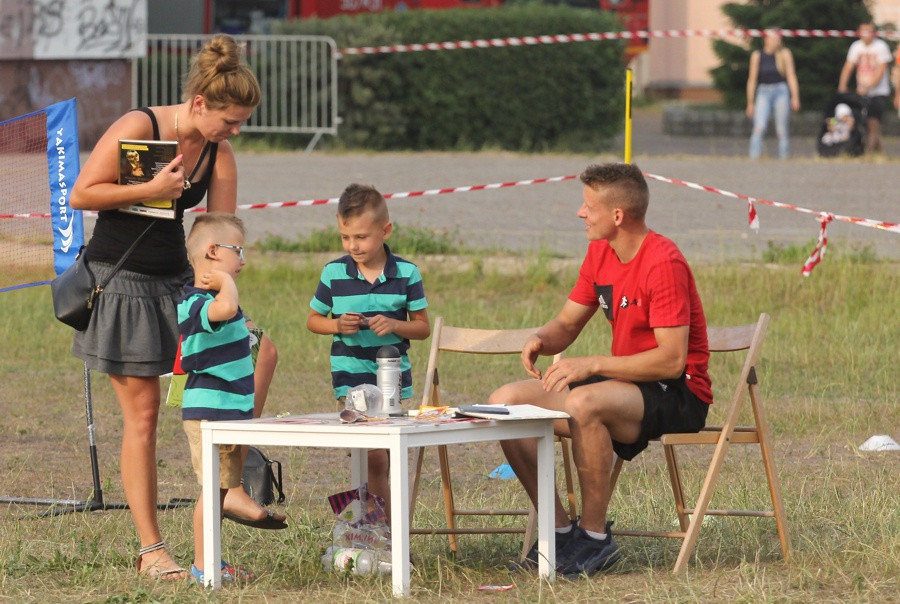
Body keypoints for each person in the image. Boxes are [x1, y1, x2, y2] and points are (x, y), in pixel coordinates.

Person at [69, 34, 282, 580]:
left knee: (259, 353)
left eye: (240, 124)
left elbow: (220, 231)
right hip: (122, 282)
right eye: (229, 121)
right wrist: (153, 189)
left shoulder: (218, 153)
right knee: (142, 418)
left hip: (183, 285)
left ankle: (228, 487)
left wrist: (229, 279)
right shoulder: (140, 127)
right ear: (199, 105)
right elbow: (82, 195)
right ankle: (151, 552)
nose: (233, 132)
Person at [489, 163, 712, 578]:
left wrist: (591, 363)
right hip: (626, 386)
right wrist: (542, 338)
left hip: (678, 393)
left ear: (617, 216)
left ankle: (594, 539)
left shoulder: (663, 261)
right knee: (506, 403)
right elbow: (568, 323)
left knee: (583, 401)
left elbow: (671, 360)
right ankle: (558, 531)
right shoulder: (600, 252)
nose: (580, 213)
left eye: (588, 206)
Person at [307, 184, 430, 519]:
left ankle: (382, 530)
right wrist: (336, 326)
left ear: (385, 230)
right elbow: (313, 320)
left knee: (377, 455)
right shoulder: (334, 273)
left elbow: (422, 328)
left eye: (361, 237)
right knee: (368, 454)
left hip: (390, 378)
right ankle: (372, 526)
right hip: (349, 376)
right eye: (345, 237)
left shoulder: (406, 273)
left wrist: (393, 325)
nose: (353, 246)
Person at [178, 213, 256, 585]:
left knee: (220, 492)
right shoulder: (194, 302)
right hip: (209, 413)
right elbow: (223, 310)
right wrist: (225, 281)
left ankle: (211, 562)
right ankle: (203, 567)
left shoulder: (216, 298)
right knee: (212, 493)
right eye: (237, 251)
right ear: (212, 251)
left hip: (227, 414)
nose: (242, 261)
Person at [838, 22, 893, 154]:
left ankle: (868, 154)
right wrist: (842, 86)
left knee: (872, 123)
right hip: (862, 92)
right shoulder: (856, 47)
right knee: (868, 126)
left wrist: (869, 87)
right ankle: (881, 154)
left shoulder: (881, 46)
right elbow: (848, 67)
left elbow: (881, 71)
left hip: (878, 92)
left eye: (868, 31)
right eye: (863, 31)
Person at [745, 30, 801, 159]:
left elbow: (791, 76)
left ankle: (784, 158)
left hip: (781, 91)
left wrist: (795, 97)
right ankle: (754, 157)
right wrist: (750, 102)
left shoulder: (785, 54)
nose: (778, 41)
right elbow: (752, 80)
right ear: (767, 39)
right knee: (759, 126)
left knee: (781, 129)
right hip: (763, 92)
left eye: (779, 38)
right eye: (775, 38)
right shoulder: (757, 55)